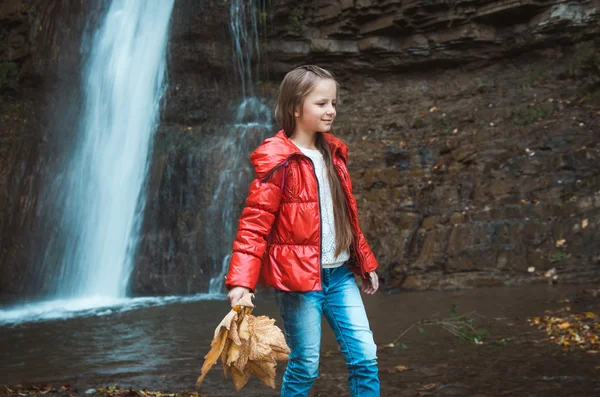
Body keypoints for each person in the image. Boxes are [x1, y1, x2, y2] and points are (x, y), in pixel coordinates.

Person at [225, 65, 380, 397]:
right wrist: (241, 281)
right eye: (321, 103)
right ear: (296, 107)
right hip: (298, 283)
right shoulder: (278, 161)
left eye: (334, 103)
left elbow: (346, 216)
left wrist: (363, 263)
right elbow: (254, 225)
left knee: (365, 357)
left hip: (339, 276)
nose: (331, 110)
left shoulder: (334, 155)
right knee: (306, 364)